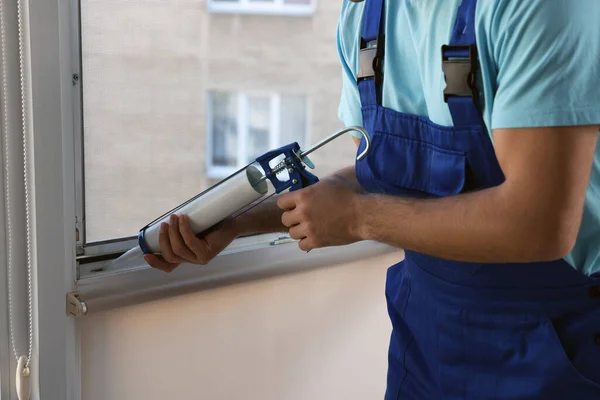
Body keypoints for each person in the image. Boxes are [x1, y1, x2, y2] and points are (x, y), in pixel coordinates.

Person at [146, 0, 600, 398]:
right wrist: (238, 220)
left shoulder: (539, 7)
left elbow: (537, 224)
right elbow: (380, 177)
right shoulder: (367, 18)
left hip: (553, 349)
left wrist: (360, 219)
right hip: (423, 343)